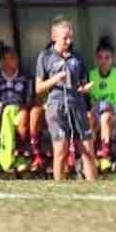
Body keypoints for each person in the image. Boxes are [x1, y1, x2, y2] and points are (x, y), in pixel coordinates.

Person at [34, 16, 99, 181]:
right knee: (61, 150)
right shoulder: (46, 57)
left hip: (77, 104)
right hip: (56, 106)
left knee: (87, 149)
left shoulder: (76, 57)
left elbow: (81, 84)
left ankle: (95, 187)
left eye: (71, 37)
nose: (69, 41)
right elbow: (39, 88)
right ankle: (59, 187)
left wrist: (85, 88)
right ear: (54, 36)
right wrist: (56, 79)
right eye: (65, 38)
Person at [0, 41, 36, 171]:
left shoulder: (25, 77)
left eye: (16, 57)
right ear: (3, 61)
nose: (15, 60)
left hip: (19, 110)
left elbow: (28, 100)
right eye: (11, 58)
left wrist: (21, 110)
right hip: (0, 111)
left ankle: (21, 152)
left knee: (22, 117)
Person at [86, 36, 116, 171]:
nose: (103, 61)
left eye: (107, 57)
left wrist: (114, 109)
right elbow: (86, 100)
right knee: (89, 116)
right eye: (100, 57)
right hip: (96, 113)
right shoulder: (91, 75)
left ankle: (105, 156)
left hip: (115, 115)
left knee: (106, 117)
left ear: (112, 59)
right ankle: (91, 156)